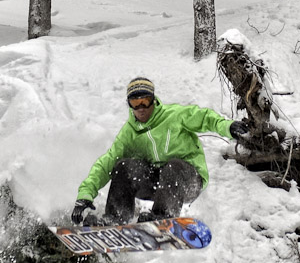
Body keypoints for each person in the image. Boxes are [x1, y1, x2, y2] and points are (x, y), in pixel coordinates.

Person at [71, 77, 249, 225]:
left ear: (153, 100)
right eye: (135, 103)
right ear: (129, 105)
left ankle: (162, 217)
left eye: (145, 102)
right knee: (123, 166)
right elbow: (106, 163)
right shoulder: (130, 133)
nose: (141, 108)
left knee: (173, 166)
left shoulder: (174, 116)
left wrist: (228, 126)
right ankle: (115, 219)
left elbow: (205, 118)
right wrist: (85, 195)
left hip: (187, 180)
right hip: (155, 184)